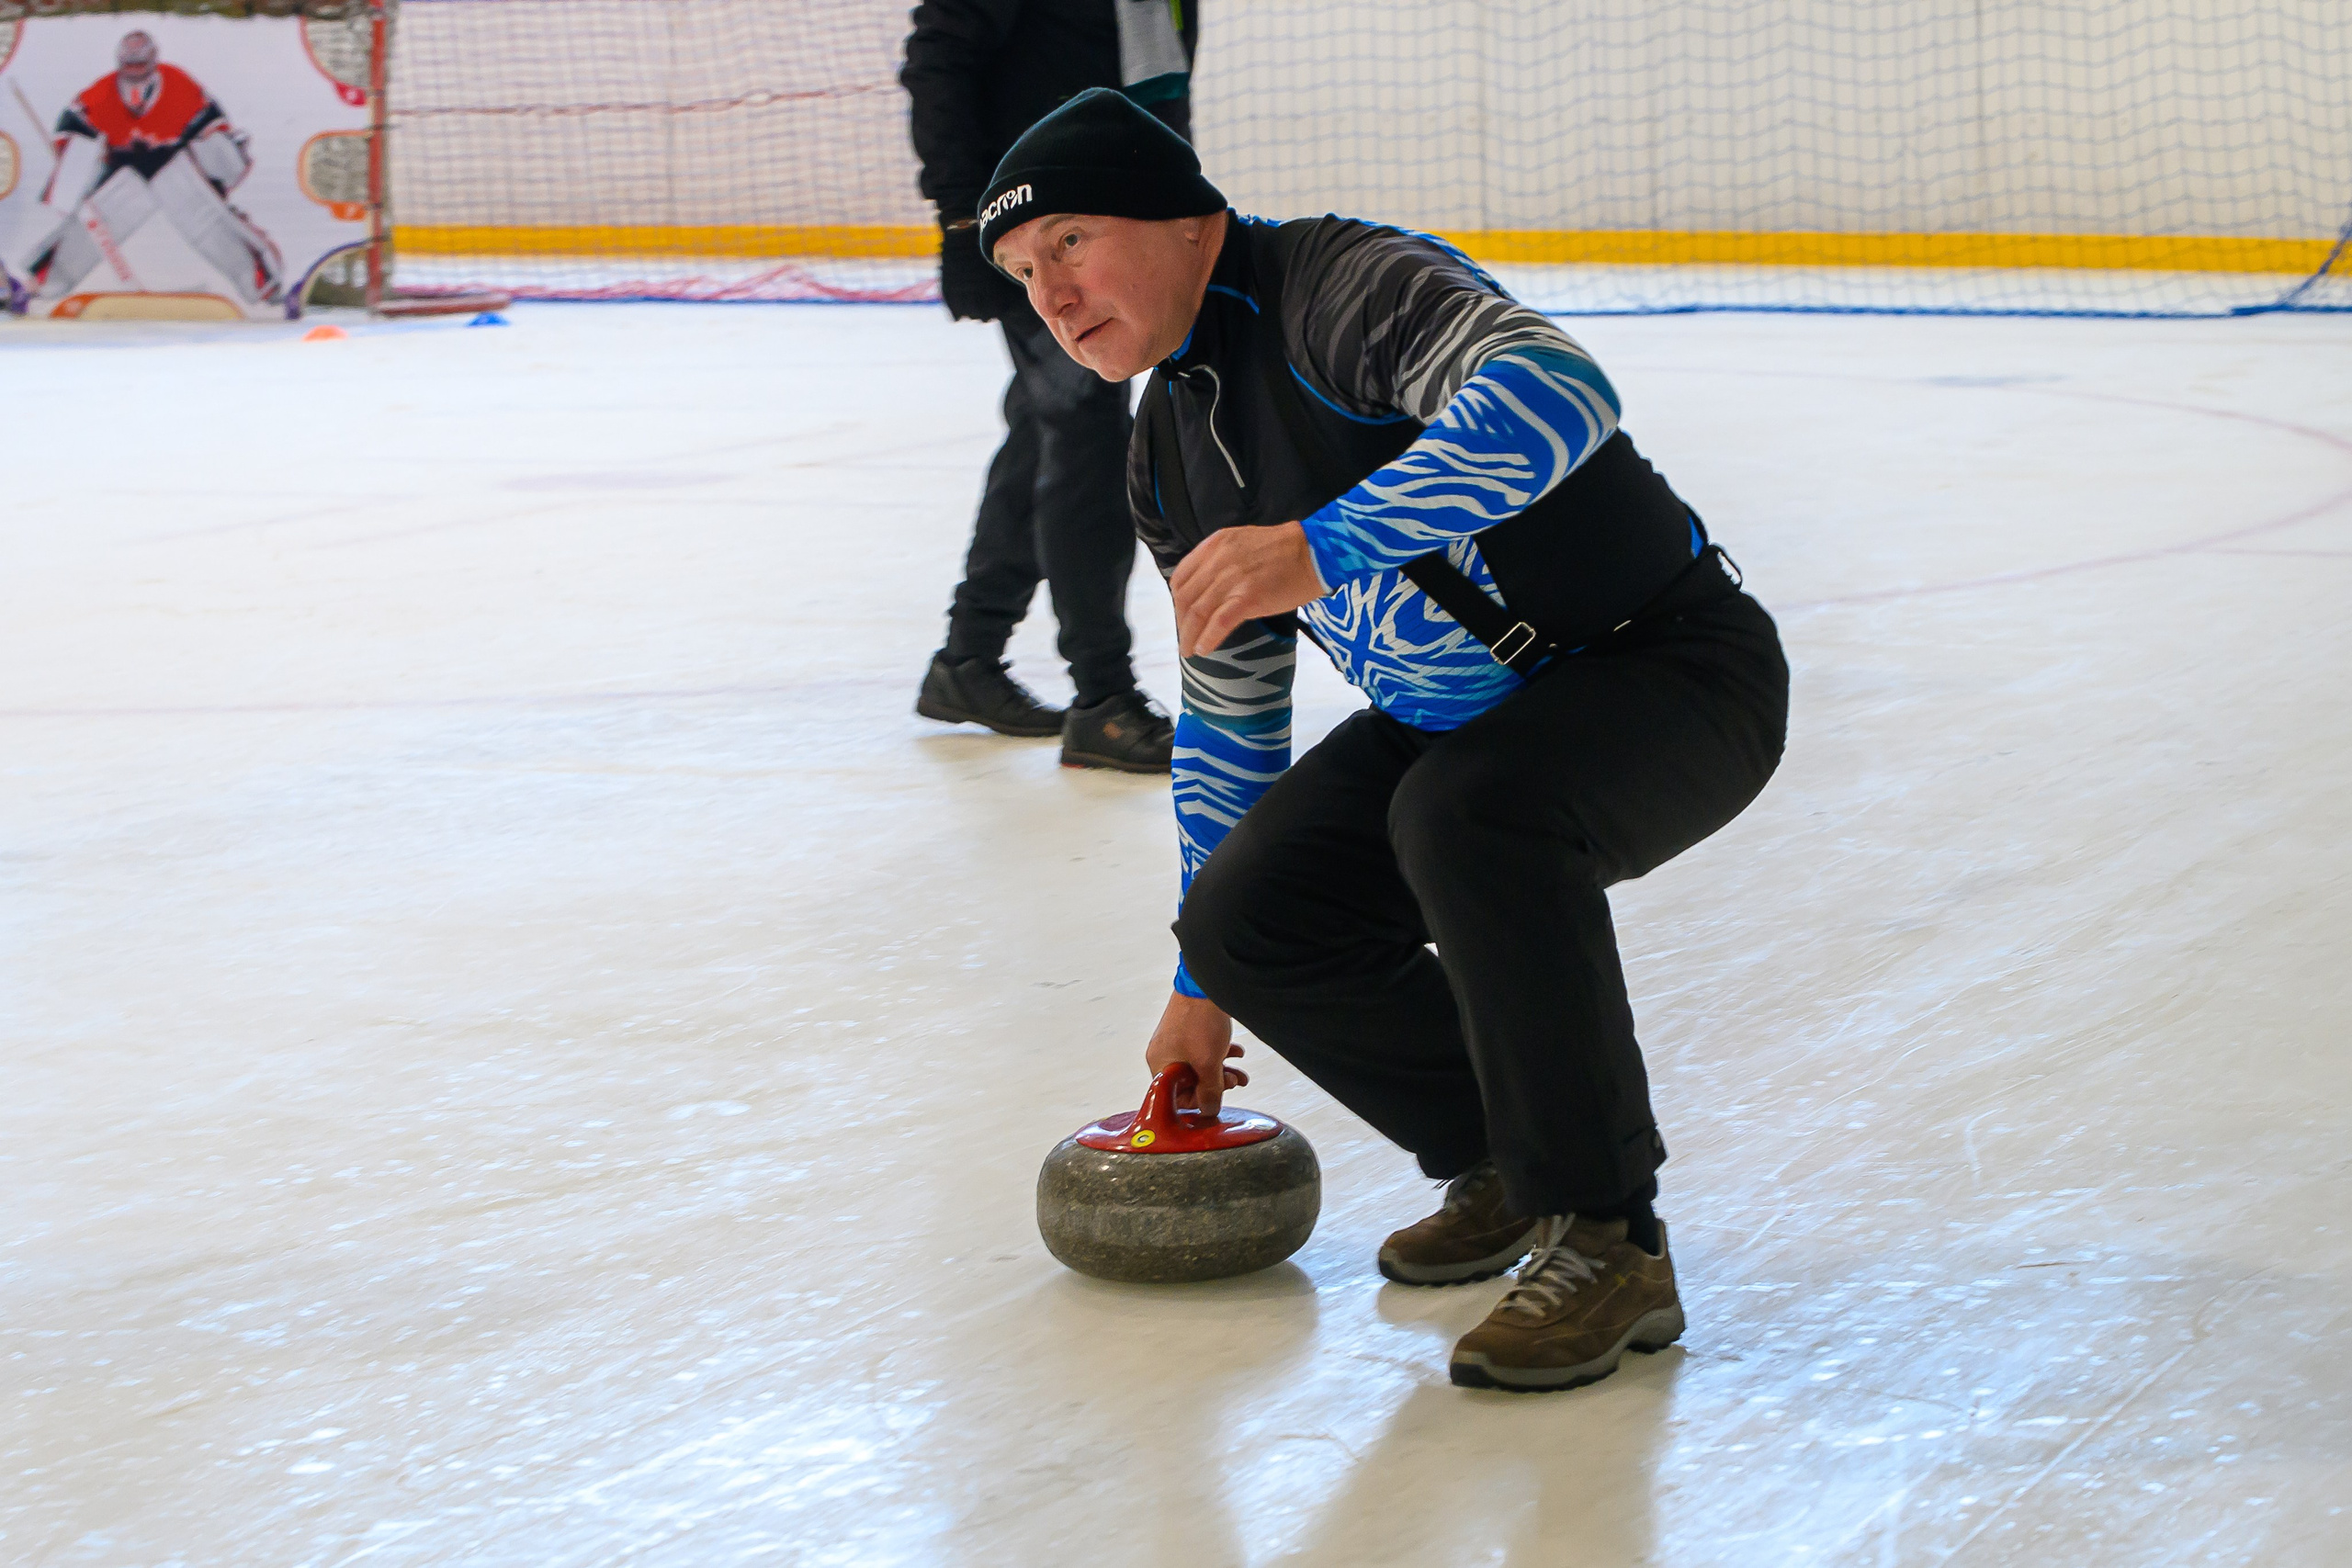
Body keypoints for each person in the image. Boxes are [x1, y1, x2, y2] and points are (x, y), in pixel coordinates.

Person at [979, 89, 1791, 1391]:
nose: (1055, 295)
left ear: (1189, 220)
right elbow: (1234, 721)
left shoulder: (1334, 285)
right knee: (1247, 908)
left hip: (1668, 670)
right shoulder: (1167, 453)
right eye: (1026, 275)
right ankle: (1508, 1159)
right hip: (1460, 722)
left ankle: (1609, 1235)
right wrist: (1200, 982)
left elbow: (1558, 389)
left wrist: (1320, 540)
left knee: (1464, 813)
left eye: (1072, 241)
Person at [900, 2, 1199, 772]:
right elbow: (938, 57)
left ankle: (968, 657)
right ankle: (1102, 697)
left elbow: (1154, 90)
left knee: (1050, 425)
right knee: (1087, 439)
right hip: (1041, 232)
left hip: (1113, 226)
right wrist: (964, 219)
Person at [4, 31, 283, 310]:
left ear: (153, 60)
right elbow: (72, 128)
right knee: (92, 229)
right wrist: (77, 169)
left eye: (141, 64)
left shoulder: (178, 83)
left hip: (172, 168)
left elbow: (213, 128)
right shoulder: (102, 92)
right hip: (124, 171)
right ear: (119, 62)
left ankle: (263, 285)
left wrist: (219, 174)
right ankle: (39, 284)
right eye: (129, 64)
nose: (135, 71)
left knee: (209, 222)